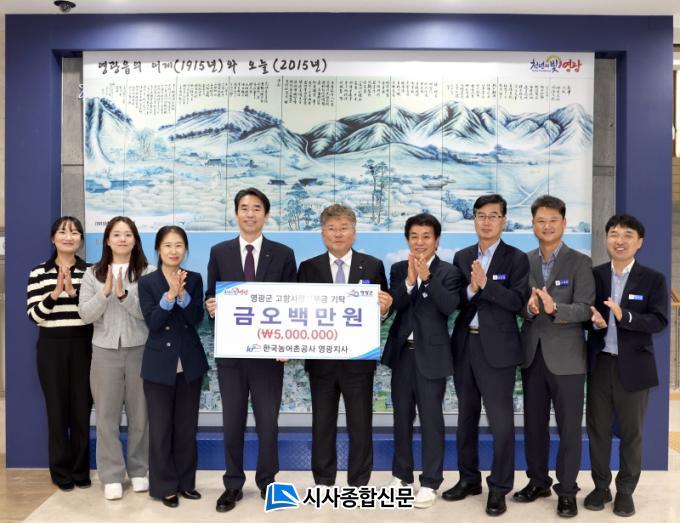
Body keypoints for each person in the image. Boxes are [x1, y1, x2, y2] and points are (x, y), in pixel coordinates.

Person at [205, 187, 297, 513]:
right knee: (232, 422)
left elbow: (291, 303)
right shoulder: (220, 252)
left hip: (268, 355)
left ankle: (268, 482)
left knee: (268, 423)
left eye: (257, 208)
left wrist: (286, 342)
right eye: (244, 208)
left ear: (266, 215)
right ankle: (232, 484)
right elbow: (210, 294)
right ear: (236, 213)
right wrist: (211, 305)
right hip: (232, 354)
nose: (250, 214)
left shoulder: (283, 254)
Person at [443, 194, 529, 516]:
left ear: (504, 221)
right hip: (465, 345)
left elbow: (518, 303)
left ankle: (499, 487)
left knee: (501, 422)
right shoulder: (462, 256)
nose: (487, 221)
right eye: (481, 215)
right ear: (474, 220)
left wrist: (486, 285)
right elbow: (454, 300)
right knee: (465, 418)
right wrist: (470, 289)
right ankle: (468, 479)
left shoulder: (516, 259)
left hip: (498, 350)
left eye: (493, 216)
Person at [297, 204, 392, 488]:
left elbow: (382, 310)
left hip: (358, 361)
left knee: (360, 425)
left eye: (344, 228)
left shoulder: (372, 265)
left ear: (354, 232)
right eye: (331, 228)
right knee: (322, 425)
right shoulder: (308, 268)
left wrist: (384, 309)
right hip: (321, 362)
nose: (338, 234)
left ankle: (359, 483)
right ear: (322, 233)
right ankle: (323, 481)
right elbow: (298, 313)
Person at [513, 195, 595, 517]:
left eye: (553, 220)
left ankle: (567, 490)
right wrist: (530, 309)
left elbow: (585, 308)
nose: (546, 226)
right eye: (540, 221)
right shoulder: (524, 261)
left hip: (568, 360)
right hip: (532, 356)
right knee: (534, 426)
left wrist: (554, 307)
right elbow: (518, 305)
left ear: (564, 223)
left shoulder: (580, 262)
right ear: (533, 225)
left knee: (569, 428)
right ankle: (538, 481)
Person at [585, 214, 668, 517]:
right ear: (606, 239)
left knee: (632, 434)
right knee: (598, 430)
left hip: (634, 368)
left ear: (639, 242)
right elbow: (584, 313)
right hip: (600, 365)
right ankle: (600, 486)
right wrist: (593, 321)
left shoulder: (653, 279)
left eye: (627, 235)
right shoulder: (594, 275)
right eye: (614, 234)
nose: (619, 241)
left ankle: (625, 491)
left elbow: (659, 320)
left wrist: (625, 316)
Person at [381, 213, 461, 509]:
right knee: (401, 418)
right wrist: (410, 281)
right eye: (414, 236)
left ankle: (430, 482)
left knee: (431, 420)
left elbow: (448, 306)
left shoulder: (449, 272)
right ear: (407, 240)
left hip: (432, 356)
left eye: (426, 236)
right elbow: (395, 304)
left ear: (436, 241)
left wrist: (427, 278)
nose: (419, 242)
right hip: (403, 354)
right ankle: (401, 477)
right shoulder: (398, 268)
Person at [78, 216, 153, 500]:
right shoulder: (92, 274)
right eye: (117, 234)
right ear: (107, 240)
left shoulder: (148, 272)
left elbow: (149, 314)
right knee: (106, 416)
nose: (122, 239)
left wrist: (123, 296)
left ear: (135, 240)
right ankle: (111, 475)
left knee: (140, 415)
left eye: (128, 234)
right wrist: (105, 292)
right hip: (104, 352)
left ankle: (139, 470)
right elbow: (85, 314)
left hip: (140, 350)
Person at [138, 226, 209, 508]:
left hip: (189, 365)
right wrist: (169, 296)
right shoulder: (147, 282)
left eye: (179, 245)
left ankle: (186, 483)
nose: (173, 251)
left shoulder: (195, 279)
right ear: (158, 249)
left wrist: (183, 296)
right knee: (160, 429)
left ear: (185, 249)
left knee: (186, 429)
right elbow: (153, 323)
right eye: (167, 245)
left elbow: (196, 318)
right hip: (158, 366)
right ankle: (164, 486)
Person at [26, 216, 93, 491]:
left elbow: (94, 314)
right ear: (53, 238)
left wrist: (73, 293)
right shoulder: (38, 272)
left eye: (75, 232)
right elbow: (34, 315)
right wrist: (55, 293)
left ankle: (80, 470)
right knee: (56, 411)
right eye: (63, 232)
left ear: (81, 240)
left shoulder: (91, 272)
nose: (69, 237)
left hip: (83, 345)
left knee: (81, 410)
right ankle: (61, 472)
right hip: (51, 347)